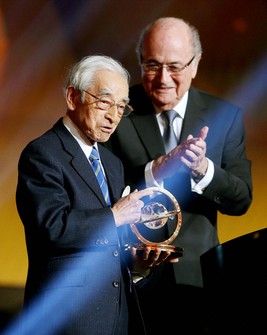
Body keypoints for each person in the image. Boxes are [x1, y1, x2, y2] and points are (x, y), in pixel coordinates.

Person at [104, 17, 253, 334]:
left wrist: (203, 170)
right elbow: (98, 188)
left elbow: (241, 201)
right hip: (130, 277)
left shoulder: (225, 117)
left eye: (175, 67)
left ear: (196, 64)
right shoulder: (116, 111)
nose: (162, 79)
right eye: (152, 65)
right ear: (140, 61)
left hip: (198, 279)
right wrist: (154, 171)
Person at [15, 55, 179, 335]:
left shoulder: (112, 164)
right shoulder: (43, 153)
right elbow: (51, 228)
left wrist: (140, 262)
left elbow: (113, 244)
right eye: (104, 102)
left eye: (121, 107)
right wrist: (115, 215)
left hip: (116, 315)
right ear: (72, 97)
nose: (113, 116)